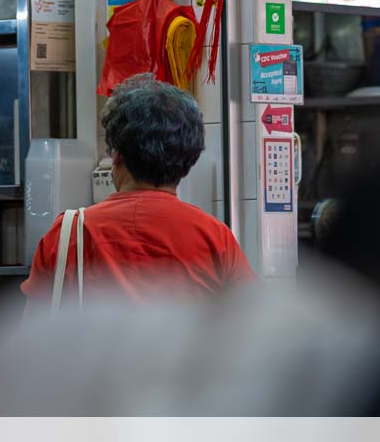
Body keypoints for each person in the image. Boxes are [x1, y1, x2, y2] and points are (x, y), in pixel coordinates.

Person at [23, 74, 252, 306]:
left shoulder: (68, 233)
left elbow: (31, 330)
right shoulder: (215, 238)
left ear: (117, 155)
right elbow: (250, 326)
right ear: (186, 166)